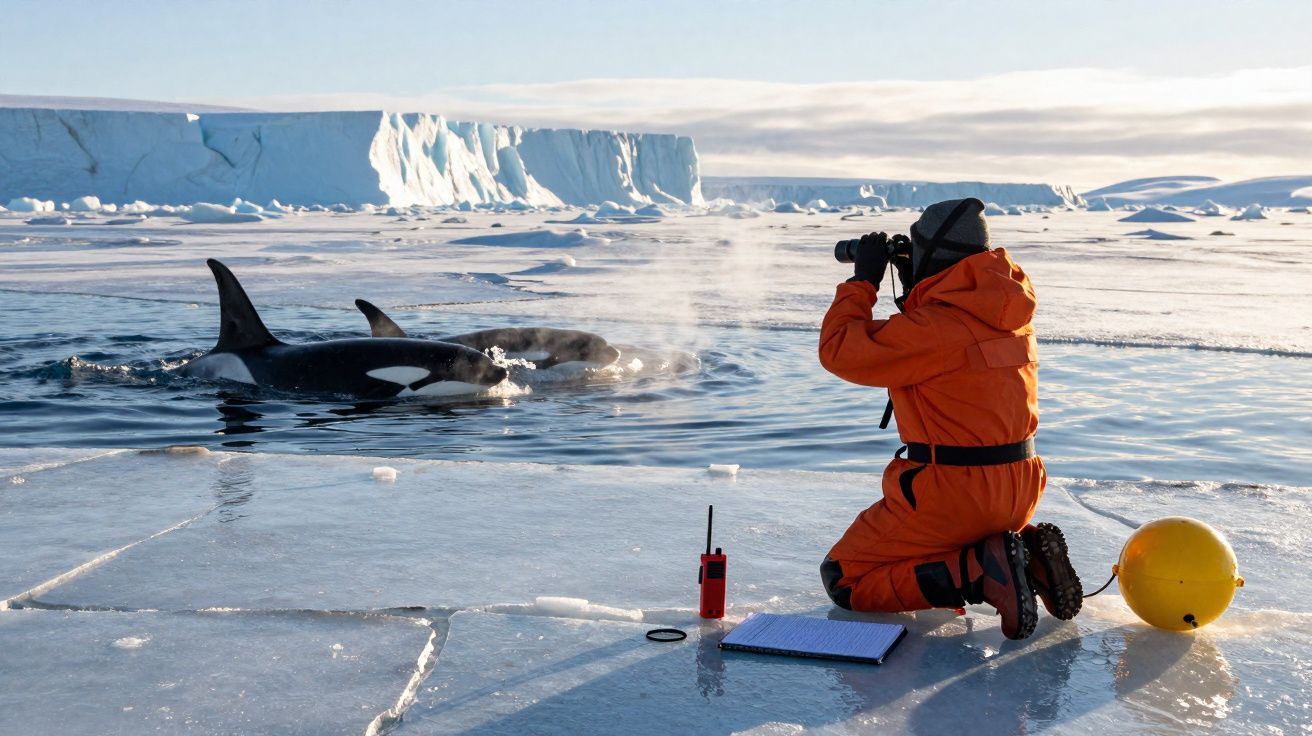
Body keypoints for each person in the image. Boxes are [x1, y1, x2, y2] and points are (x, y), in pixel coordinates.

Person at [817, 197, 1082, 640]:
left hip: (954, 495)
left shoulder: (935, 329)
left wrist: (862, 282)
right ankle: (1026, 553)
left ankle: (978, 573)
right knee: (927, 544)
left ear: (932, 256)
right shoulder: (1011, 316)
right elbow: (946, 348)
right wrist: (917, 285)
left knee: (845, 578)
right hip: (1020, 490)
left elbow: (840, 350)